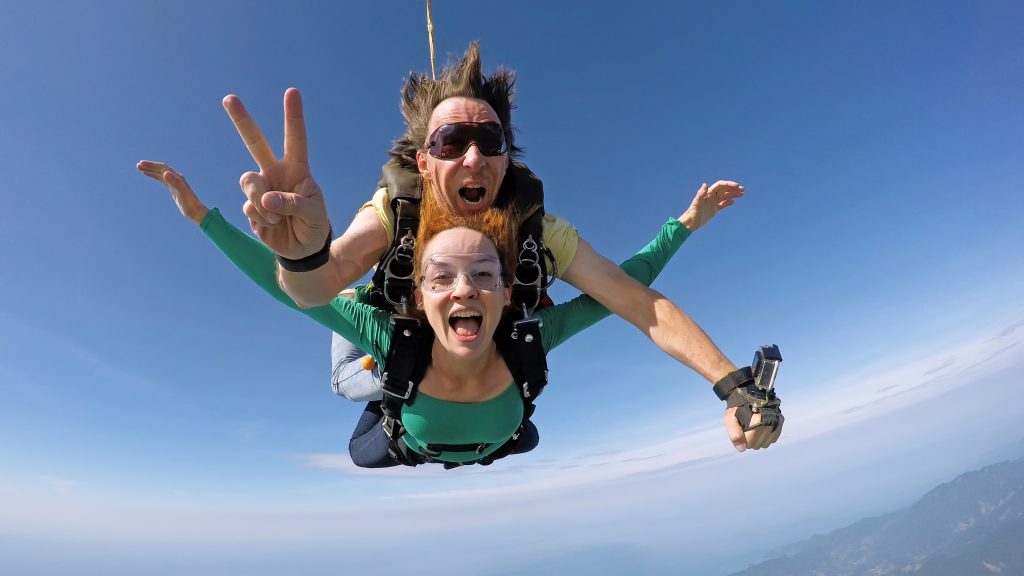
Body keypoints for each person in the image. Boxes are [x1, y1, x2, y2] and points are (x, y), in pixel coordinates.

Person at [217, 43, 774, 452]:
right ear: (424, 162)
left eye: (490, 142)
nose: (473, 159)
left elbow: (634, 300)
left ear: (507, 159)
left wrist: (733, 385)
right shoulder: (393, 213)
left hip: (480, 348)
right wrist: (306, 253)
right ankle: (385, 386)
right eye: (451, 143)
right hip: (398, 335)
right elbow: (316, 289)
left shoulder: (540, 232)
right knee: (359, 364)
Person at [137, 162, 776, 467]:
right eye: (440, 278)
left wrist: (686, 224)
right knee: (366, 399)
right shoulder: (401, 336)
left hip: (459, 417)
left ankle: (445, 426)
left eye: (484, 277)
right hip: (413, 414)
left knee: (410, 429)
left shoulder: (529, 332)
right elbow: (286, 290)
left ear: (507, 294)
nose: (464, 290)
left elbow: (629, 292)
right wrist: (206, 220)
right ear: (418, 299)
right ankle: (397, 381)